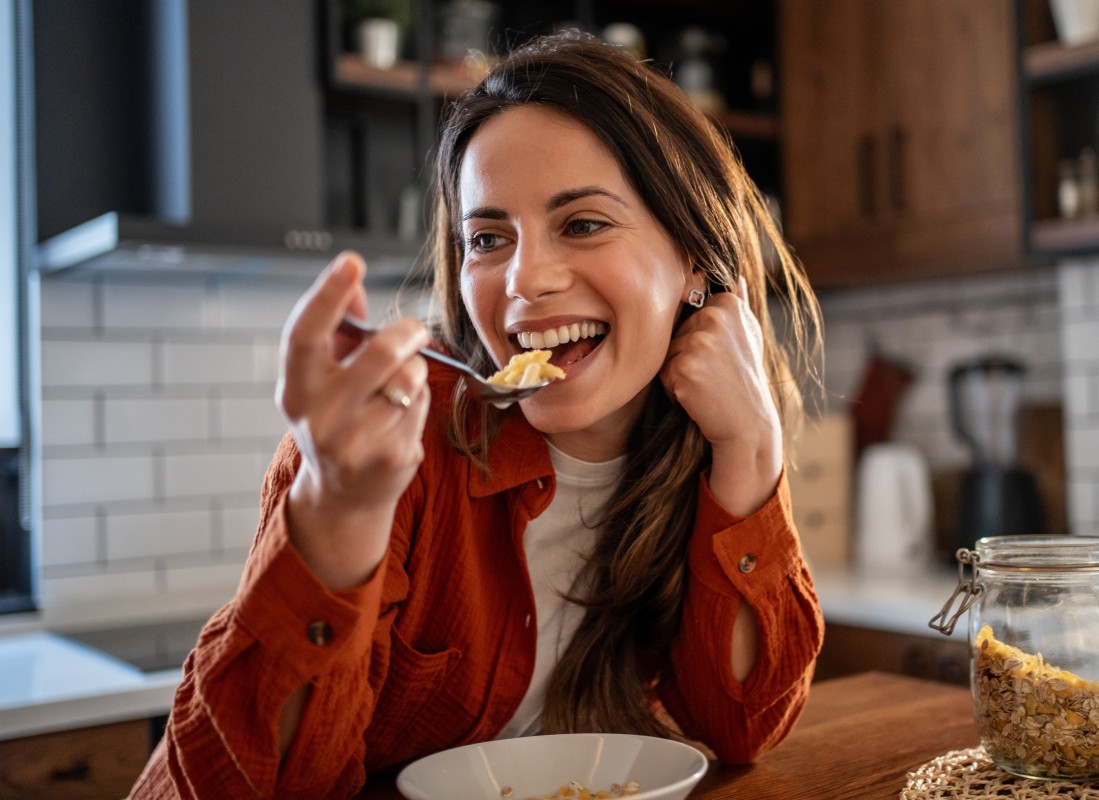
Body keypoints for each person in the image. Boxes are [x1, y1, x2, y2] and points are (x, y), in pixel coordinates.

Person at [128, 30, 824, 800]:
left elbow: (740, 728)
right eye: (487, 239)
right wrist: (338, 511)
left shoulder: (702, 446)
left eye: (582, 224)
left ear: (692, 257)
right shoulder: (390, 439)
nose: (525, 280)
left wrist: (750, 444)